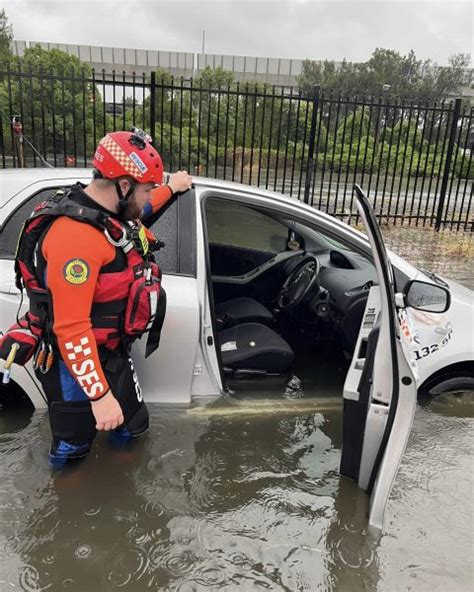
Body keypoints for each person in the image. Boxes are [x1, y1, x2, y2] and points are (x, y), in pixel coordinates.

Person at [12, 129, 192, 466]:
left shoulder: (111, 213)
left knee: (133, 427)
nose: (149, 195)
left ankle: (119, 497)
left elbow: (144, 208)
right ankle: (69, 511)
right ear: (124, 186)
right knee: (72, 450)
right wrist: (99, 395)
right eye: (146, 187)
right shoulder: (75, 240)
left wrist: (174, 187)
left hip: (111, 353)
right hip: (73, 364)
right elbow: (71, 328)